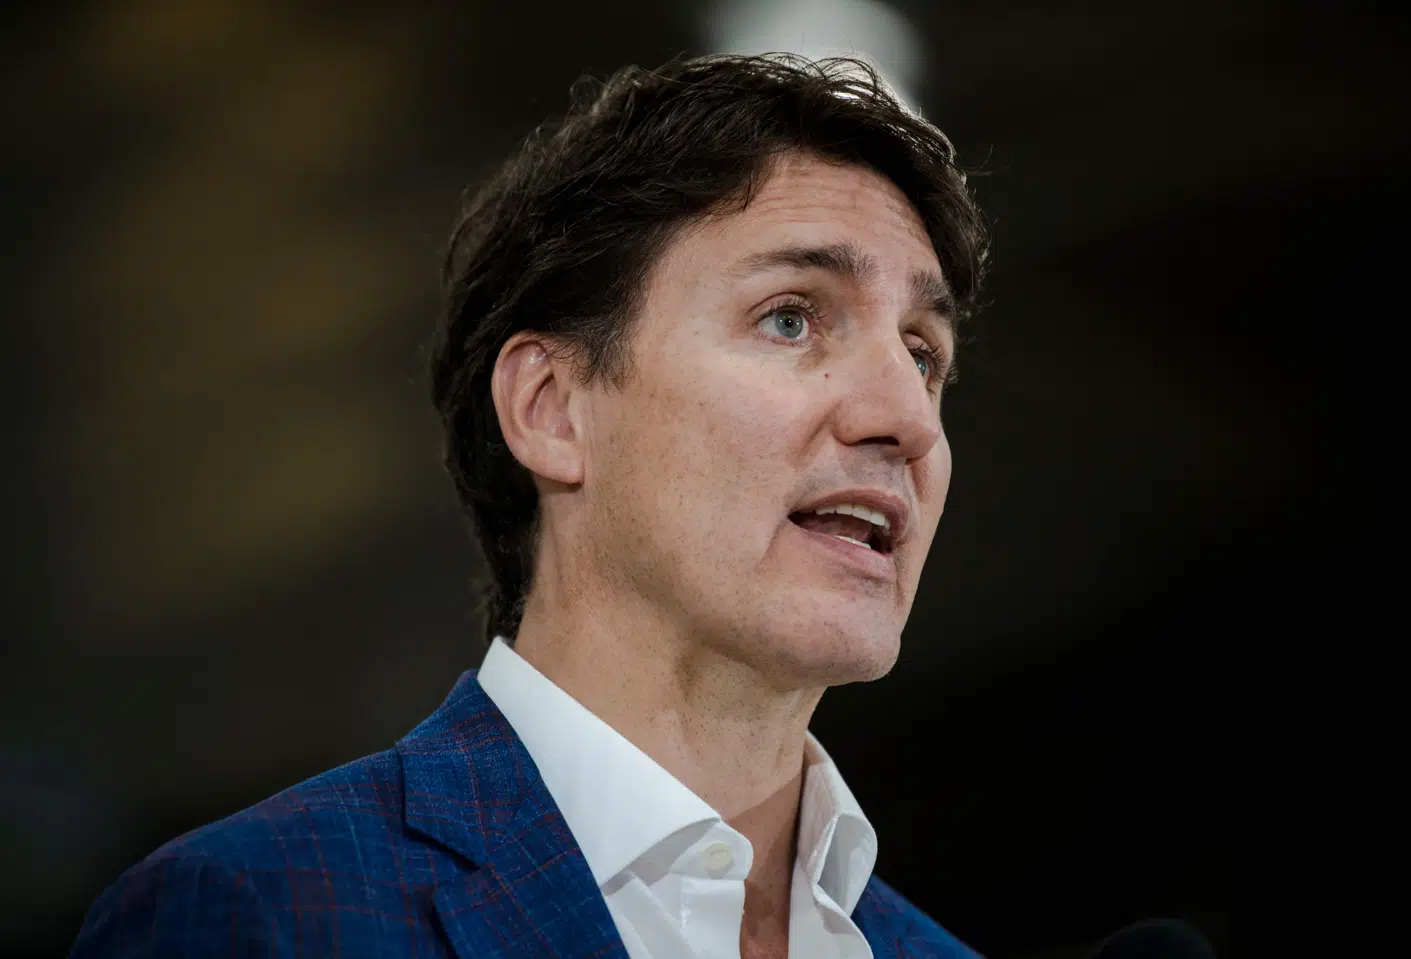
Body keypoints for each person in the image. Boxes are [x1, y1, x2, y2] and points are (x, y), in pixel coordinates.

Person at [72, 53, 989, 959]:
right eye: (790, 317)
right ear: (550, 409)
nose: (906, 416)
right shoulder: (265, 913)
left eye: (923, 353)